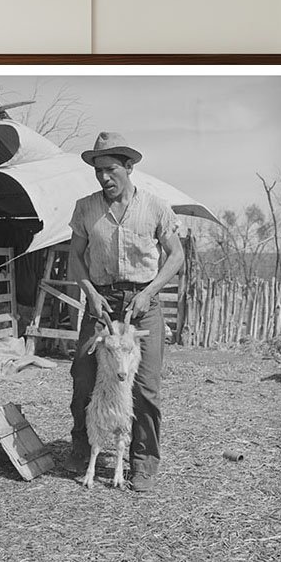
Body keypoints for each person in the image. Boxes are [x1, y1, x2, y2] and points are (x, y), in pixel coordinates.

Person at [66, 131, 185, 493]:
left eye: (111, 169)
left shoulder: (155, 207)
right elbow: (75, 257)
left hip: (142, 305)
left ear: (129, 167)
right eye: (98, 170)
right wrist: (90, 292)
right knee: (84, 375)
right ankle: (83, 447)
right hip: (101, 303)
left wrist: (150, 292)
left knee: (145, 386)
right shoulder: (85, 208)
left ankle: (143, 462)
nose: (104, 177)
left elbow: (176, 256)